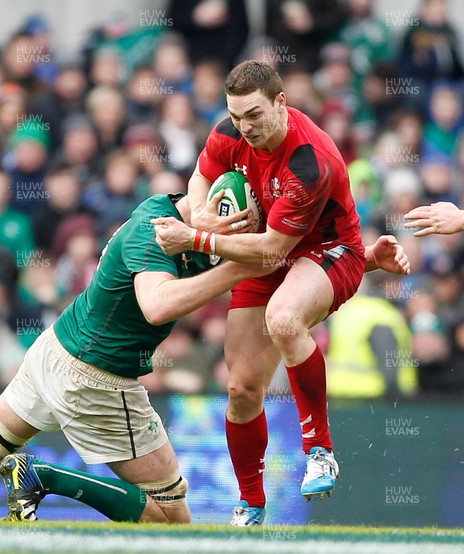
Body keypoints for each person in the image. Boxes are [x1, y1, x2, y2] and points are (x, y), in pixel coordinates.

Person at [0, 189, 406, 523]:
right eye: (239, 221)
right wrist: (239, 266)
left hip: (56, 347)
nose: (238, 233)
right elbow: (156, 304)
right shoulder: (156, 231)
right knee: (171, 516)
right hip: (95, 377)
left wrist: (369, 263)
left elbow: (291, 275)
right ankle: (43, 478)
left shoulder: (179, 219)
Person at [151, 60, 410, 525]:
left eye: (254, 115)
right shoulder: (229, 131)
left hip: (326, 252)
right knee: (241, 389)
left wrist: (197, 238)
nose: (245, 127)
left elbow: (274, 248)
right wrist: (199, 211)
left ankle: (320, 451)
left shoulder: (310, 160)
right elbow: (199, 177)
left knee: (284, 317)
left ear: (281, 103)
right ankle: (251, 504)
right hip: (263, 254)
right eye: (236, 115)